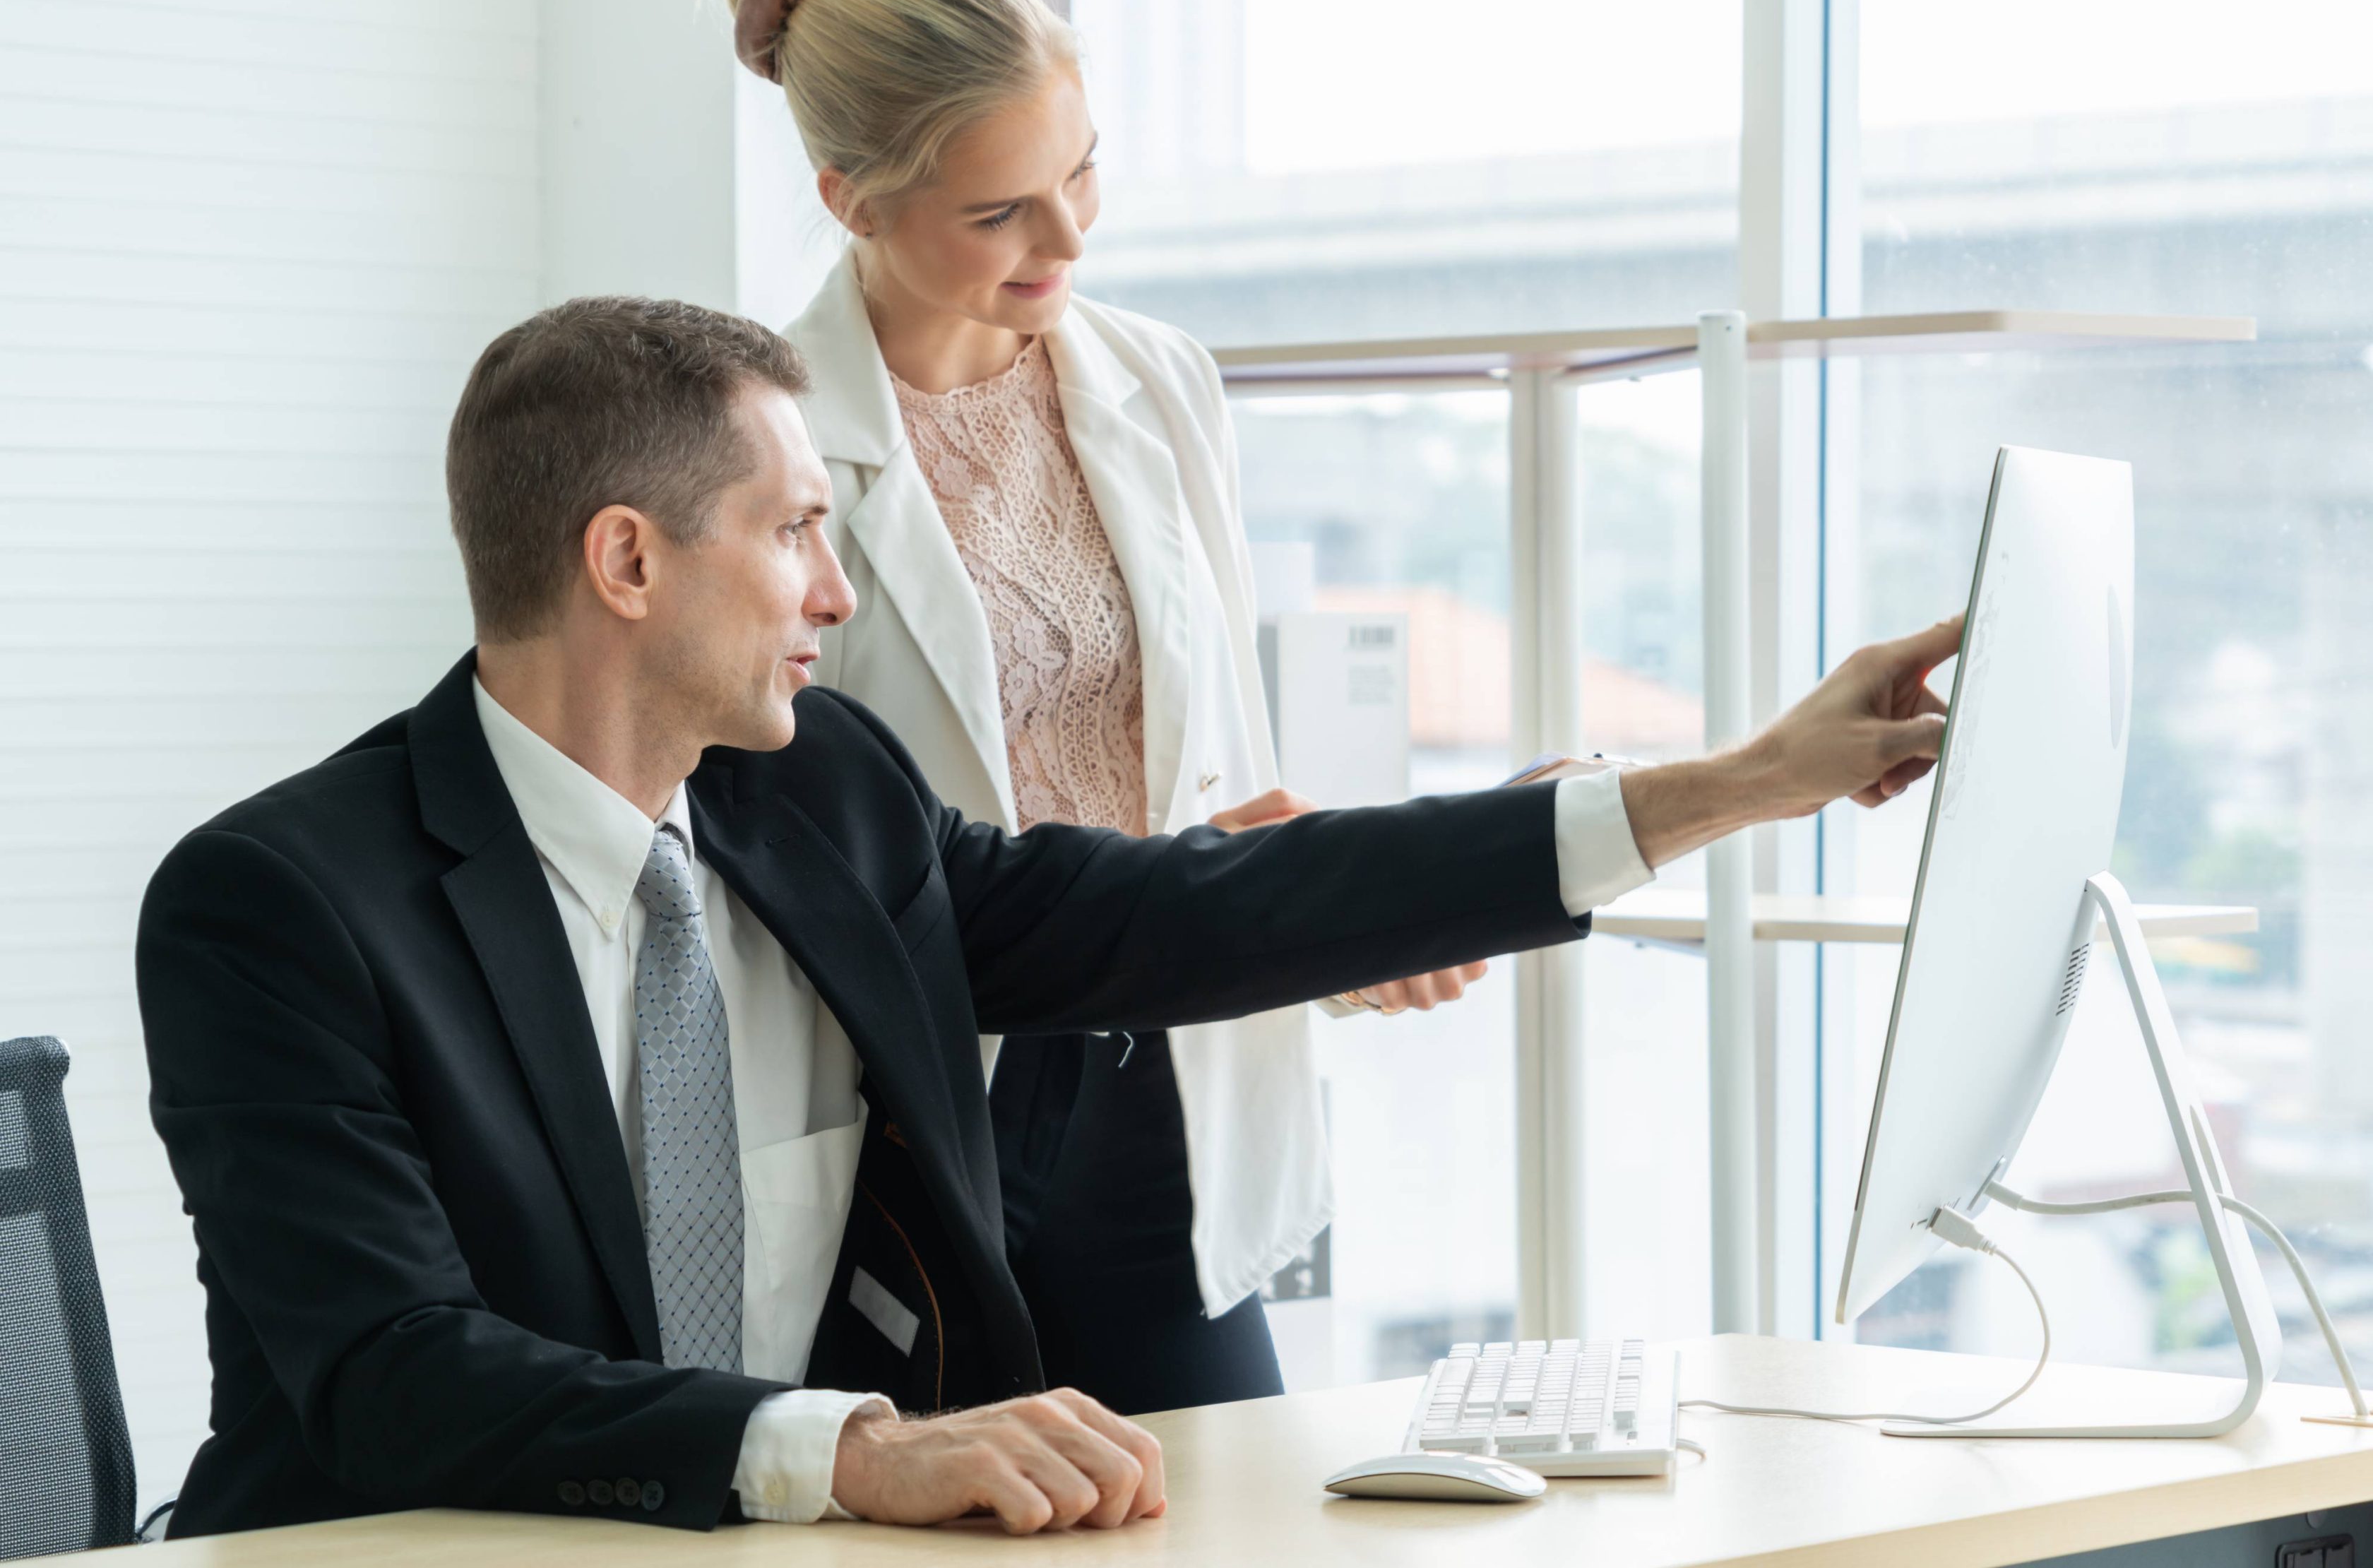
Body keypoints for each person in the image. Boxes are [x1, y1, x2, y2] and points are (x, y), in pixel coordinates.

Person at [138, 294, 1956, 1539]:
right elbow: (392, 1371)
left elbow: (1191, 911)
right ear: (627, 559)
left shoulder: (820, 793)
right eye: (793, 530)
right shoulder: (277, 904)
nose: (836, 592)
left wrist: (1733, 784)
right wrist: (852, 1452)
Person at [729, 0, 1484, 1413]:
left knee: (1233, 1489)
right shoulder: (758, 441)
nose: (1069, 237)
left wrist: (1288, 896)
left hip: (1165, 1073)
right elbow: (755, 828)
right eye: (1001, 211)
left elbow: (1207, 745)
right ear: (852, 201)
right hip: (921, 1109)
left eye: (1081, 173)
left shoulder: (1163, 379)